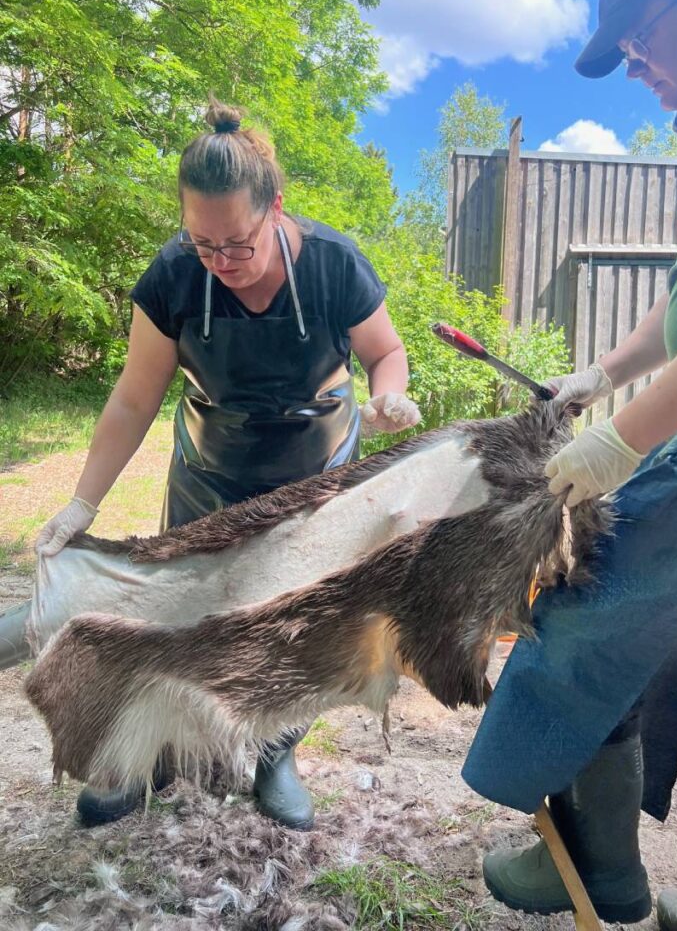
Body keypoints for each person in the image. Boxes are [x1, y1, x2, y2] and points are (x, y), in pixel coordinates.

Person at [480, 0, 677, 929]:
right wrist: (601, 373)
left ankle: (597, 868)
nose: (637, 67)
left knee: (576, 604)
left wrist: (624, 440)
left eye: (644, 39)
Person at [35, 98, 421, 830]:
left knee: (294, 624)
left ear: (276, 209)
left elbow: (385, 352)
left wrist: (391, 396)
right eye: (203, 243)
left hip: (315, 471)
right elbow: (132, 400)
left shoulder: (335, 264)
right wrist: (81, 504)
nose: (223, 261)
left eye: (238, 243)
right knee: (177, 615)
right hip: (210, 468)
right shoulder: (174, 277)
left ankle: (275, 755)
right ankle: (153, 756)